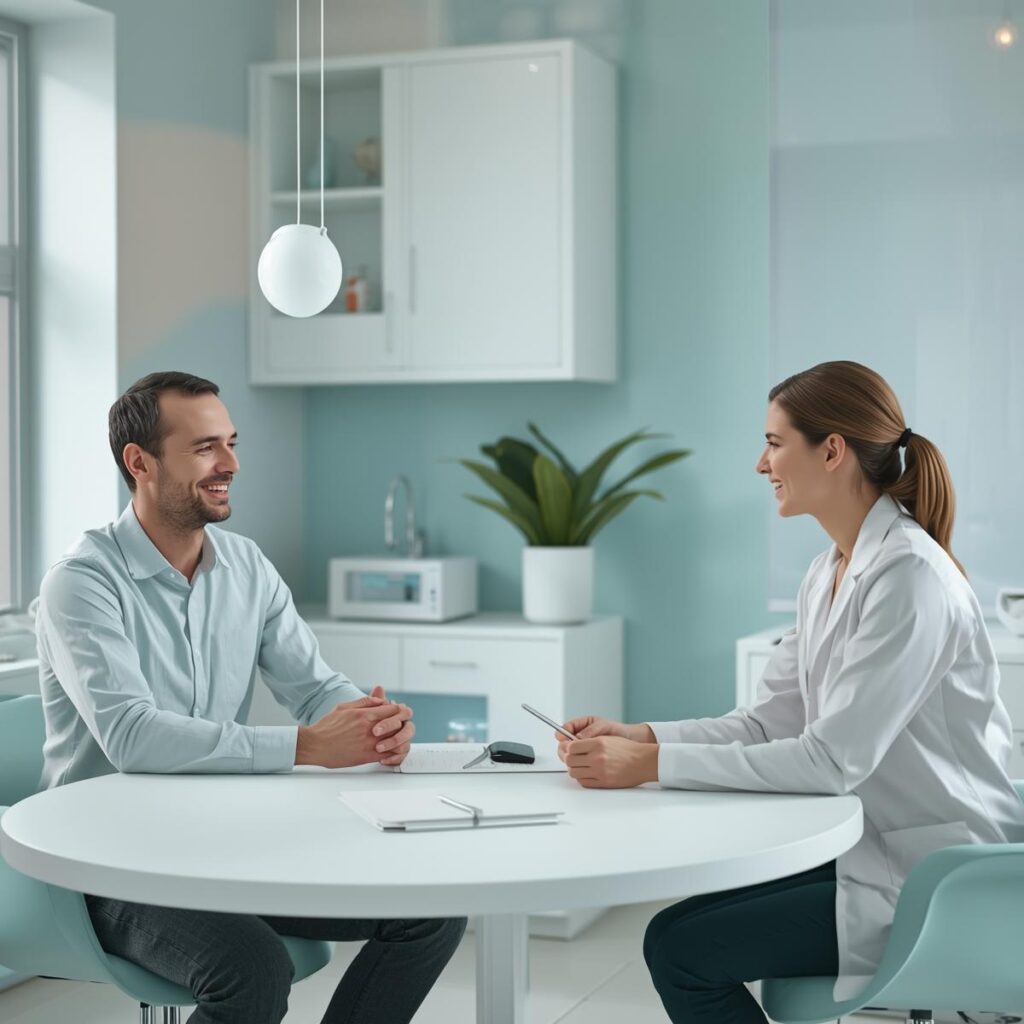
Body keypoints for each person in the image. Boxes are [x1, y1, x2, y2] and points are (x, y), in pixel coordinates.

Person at [553, 360, 1024, 1023]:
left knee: (678, 948)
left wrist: (651, 767)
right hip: (873, 848)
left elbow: (831, 762)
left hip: (935, 879)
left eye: (774, 443)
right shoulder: (828, 570)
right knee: (679, 930)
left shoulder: (910, 577)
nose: (759, 463)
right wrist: (644, 737)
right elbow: (765, 724)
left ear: (831, 451)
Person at [35, 371, 466, 1024]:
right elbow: (131, 735)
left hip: (219, 844)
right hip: (107, 862)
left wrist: (375, 725)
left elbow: (315, 687)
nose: (231, 464)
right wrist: (309, 746)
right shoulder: (83, 583)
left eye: (232, 443)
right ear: (139, 462)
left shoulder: (247, 567)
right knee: (254, 968)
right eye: (206, 447)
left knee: (432, 909)